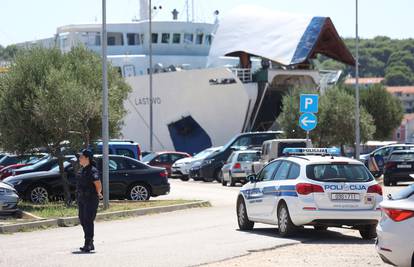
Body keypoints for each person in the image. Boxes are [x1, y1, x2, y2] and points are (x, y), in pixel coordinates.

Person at [76, 149, 103, 253]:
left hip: (91, 198)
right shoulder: (81, 170)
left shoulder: (93, 170)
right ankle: (89, 242)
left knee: (88, 220)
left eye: (81, 157)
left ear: (87, 158)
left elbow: (98, 184)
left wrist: (98, 193)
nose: (79, 159)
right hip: (82, 198)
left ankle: (88, 243)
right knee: (82, 219)